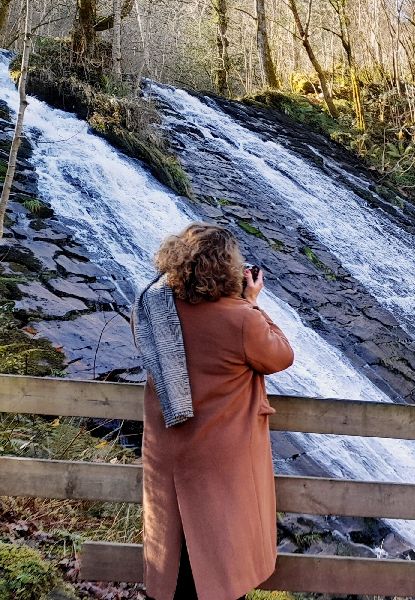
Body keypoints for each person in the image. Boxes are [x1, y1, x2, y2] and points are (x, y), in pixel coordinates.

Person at [135, 222, 294, 600]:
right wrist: (252, 301)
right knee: (220, 562)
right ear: (228, 269)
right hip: (220, 460)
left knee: (173, 556)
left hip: (168, 450)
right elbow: (282, 355)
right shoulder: (241, 319)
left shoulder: (155, 305)